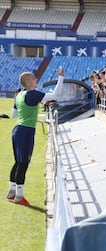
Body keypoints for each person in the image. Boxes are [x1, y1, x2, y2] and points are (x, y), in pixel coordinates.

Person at [6, 67, 65, 206]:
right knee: (23, 163)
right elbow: (55, 95)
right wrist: (61, 77)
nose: (36, 79)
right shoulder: (32, 94)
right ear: (28, 81)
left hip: (17, 130)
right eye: (34, 78)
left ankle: (11, 192)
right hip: (26, 132)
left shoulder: (19, 94)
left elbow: (14, 114)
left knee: (17, 162)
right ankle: (19, 197)